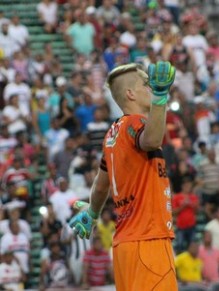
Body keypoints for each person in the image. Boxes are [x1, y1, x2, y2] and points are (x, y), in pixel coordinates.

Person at [69, 61, 178, 290]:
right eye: (146, 85)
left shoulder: (112, 134)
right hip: (148, 241)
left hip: (124, 247)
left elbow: (101, 185)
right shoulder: (136, 123)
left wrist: (92, 212)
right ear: (130, 94)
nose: (151, 87)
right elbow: (152, 140)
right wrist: (160, 97)